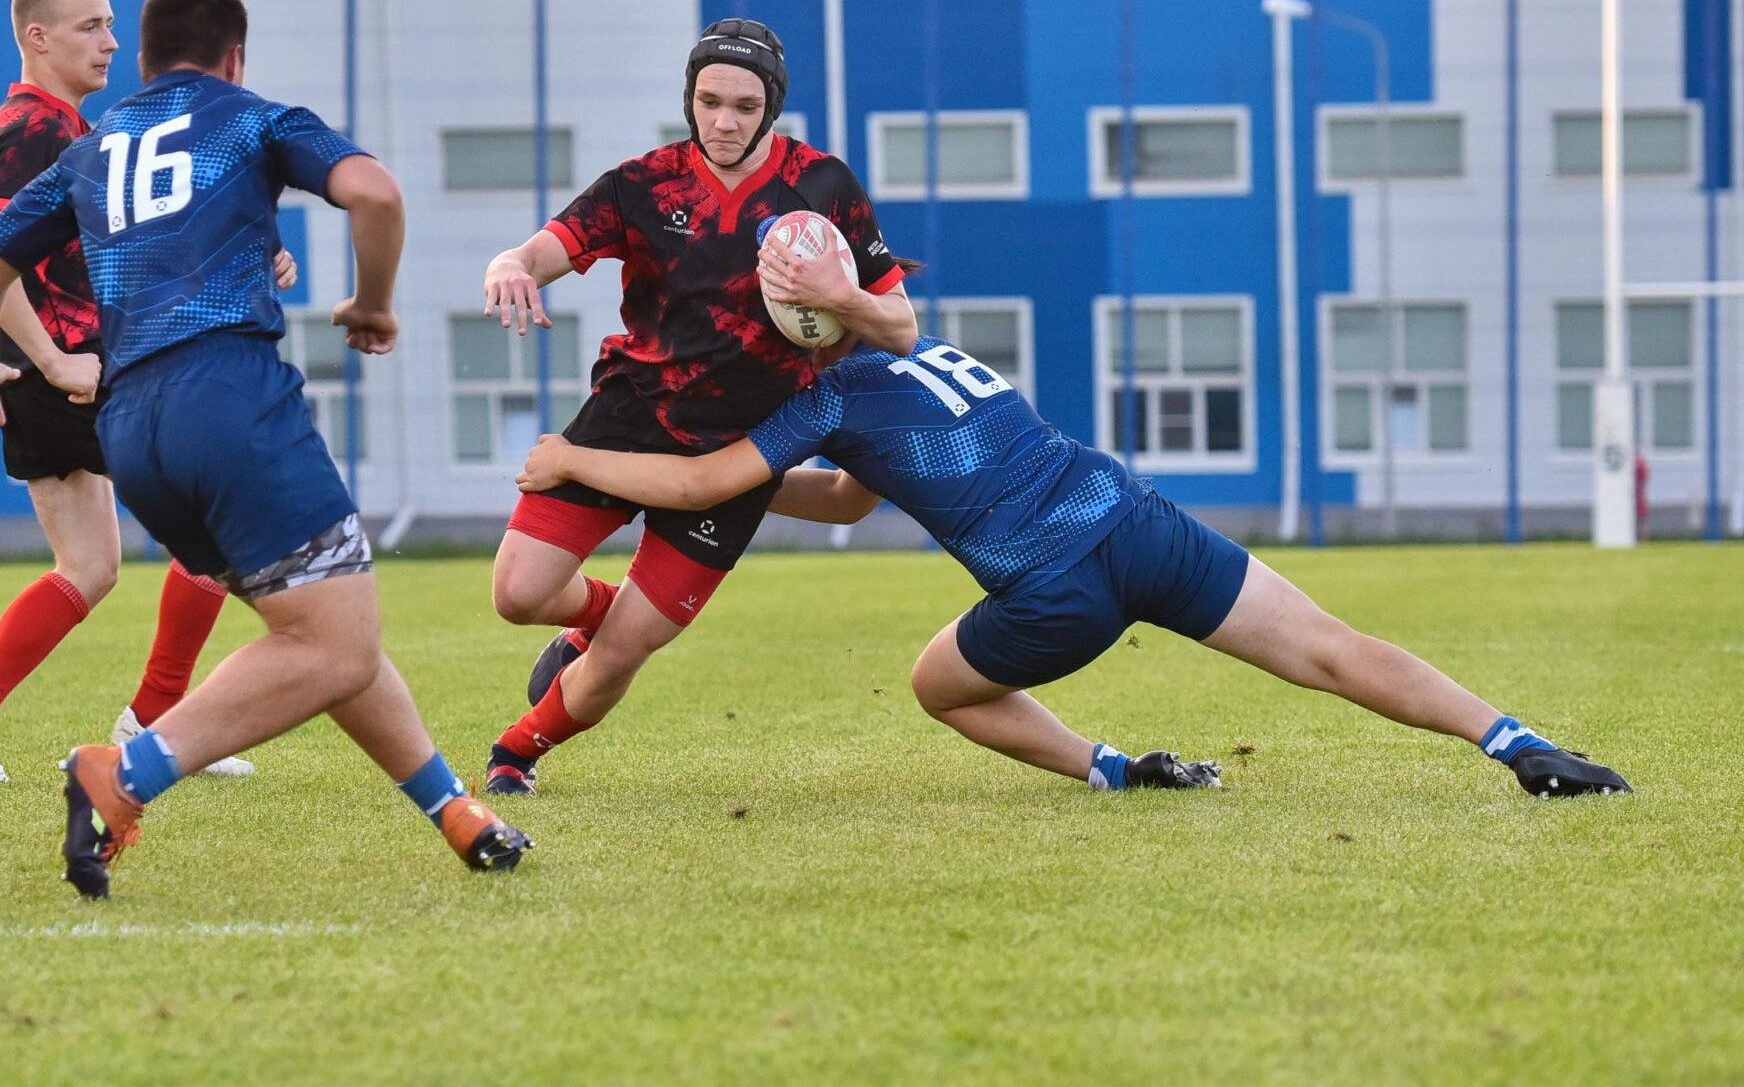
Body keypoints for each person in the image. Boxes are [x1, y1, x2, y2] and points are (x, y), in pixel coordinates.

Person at [0, 0, 531, 897]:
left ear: (139, 61)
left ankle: (456, 810)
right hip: (228, 400)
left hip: (133, 428)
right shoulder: (254, 118)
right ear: (235, 58)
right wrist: (371, 304)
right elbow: (375, 195)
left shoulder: (93, 150)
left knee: (324, 629)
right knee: (332, 642)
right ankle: (126, 771)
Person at [517, 328, 1633, 800]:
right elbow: (853, 494)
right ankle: (1517, 744)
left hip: (1057, 587)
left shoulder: (826, 390)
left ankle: (1107, 768)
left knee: (934, 683)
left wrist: (574, 455)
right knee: (1329, 649)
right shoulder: (924, 349)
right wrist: (765, 475)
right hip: (1134, 517)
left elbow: (707, 485)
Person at [478, 18, 918, 795]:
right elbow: (549, 247)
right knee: (518, 595)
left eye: (744, 106)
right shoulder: (644, 182)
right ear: (689, 98)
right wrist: (510, 264)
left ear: (771, 108)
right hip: (630, 415)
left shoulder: (824, 187)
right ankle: (605, 614)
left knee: (623, 654)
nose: (724, 120)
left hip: (746, 443)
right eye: (709, 100)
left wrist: (836, 296)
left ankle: (514, 758)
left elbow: (901, 329)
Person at [0, 0, 276, 784]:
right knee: (218, 527)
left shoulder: (59, 127)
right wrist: (51, 357)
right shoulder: (38, 126)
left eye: (112, 25)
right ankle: (156, 723)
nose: (112, 41)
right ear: (37, 37)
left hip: (48, 374)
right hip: (60, 375)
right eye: (91, 26)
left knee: (91, 568)